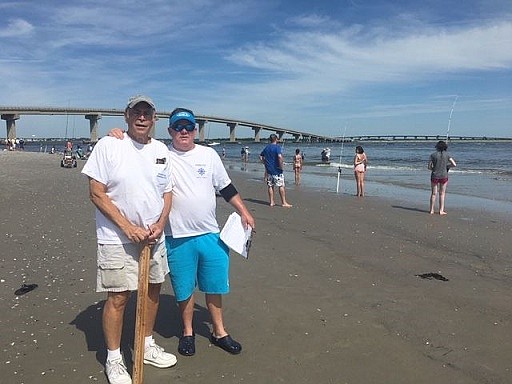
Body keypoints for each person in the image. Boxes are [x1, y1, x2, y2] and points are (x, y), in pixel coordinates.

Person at [109, 107, 255, 357]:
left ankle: (219, 331)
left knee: (215, 286)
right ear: (170, 131)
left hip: (211, 234)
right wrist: (119, 134)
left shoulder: (209, 155)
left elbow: (226, 187)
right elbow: (138, 144)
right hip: (176, 237)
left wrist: (244, 211)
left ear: (195, 130)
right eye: (178, 127)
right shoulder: (162, 154)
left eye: (188, 127)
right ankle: (187, 332)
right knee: (184, 289)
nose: (184, 131)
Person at [82, 95, 177, 384]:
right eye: (136, 112)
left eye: (147, 113)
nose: (142, 117)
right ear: (126, 115)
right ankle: (114, 358)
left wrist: (160, 223)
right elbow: (96, 192)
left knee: (152, 291)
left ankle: (146, 344)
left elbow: (167, 192)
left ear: (154, 119)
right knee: (119, 297)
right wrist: (128, 228)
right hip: (117, 238)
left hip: (153, 237)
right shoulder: (110, 144)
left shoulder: (161, 149)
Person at [259, 134, 292, 207]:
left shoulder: (267, 147)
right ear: (276, 139)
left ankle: (271, 202)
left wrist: (265, 163)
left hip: (269, 170)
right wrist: (281, 166)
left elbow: (260, 156)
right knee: (281, 185)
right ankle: (283, 202)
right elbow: (279, 157)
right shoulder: (277, 147)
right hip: (277, 170)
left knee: (270, 186)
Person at [428, 140, 457, 215]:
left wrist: (434, 169)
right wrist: (447, 166)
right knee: (442, 193)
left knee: (434, 193)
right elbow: (454, 164)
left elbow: (429, 167)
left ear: (437, 147)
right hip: (444, 175)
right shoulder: (447, 155)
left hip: (434, 175)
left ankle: (431, 210)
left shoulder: (432, 155)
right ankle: (441, 210)